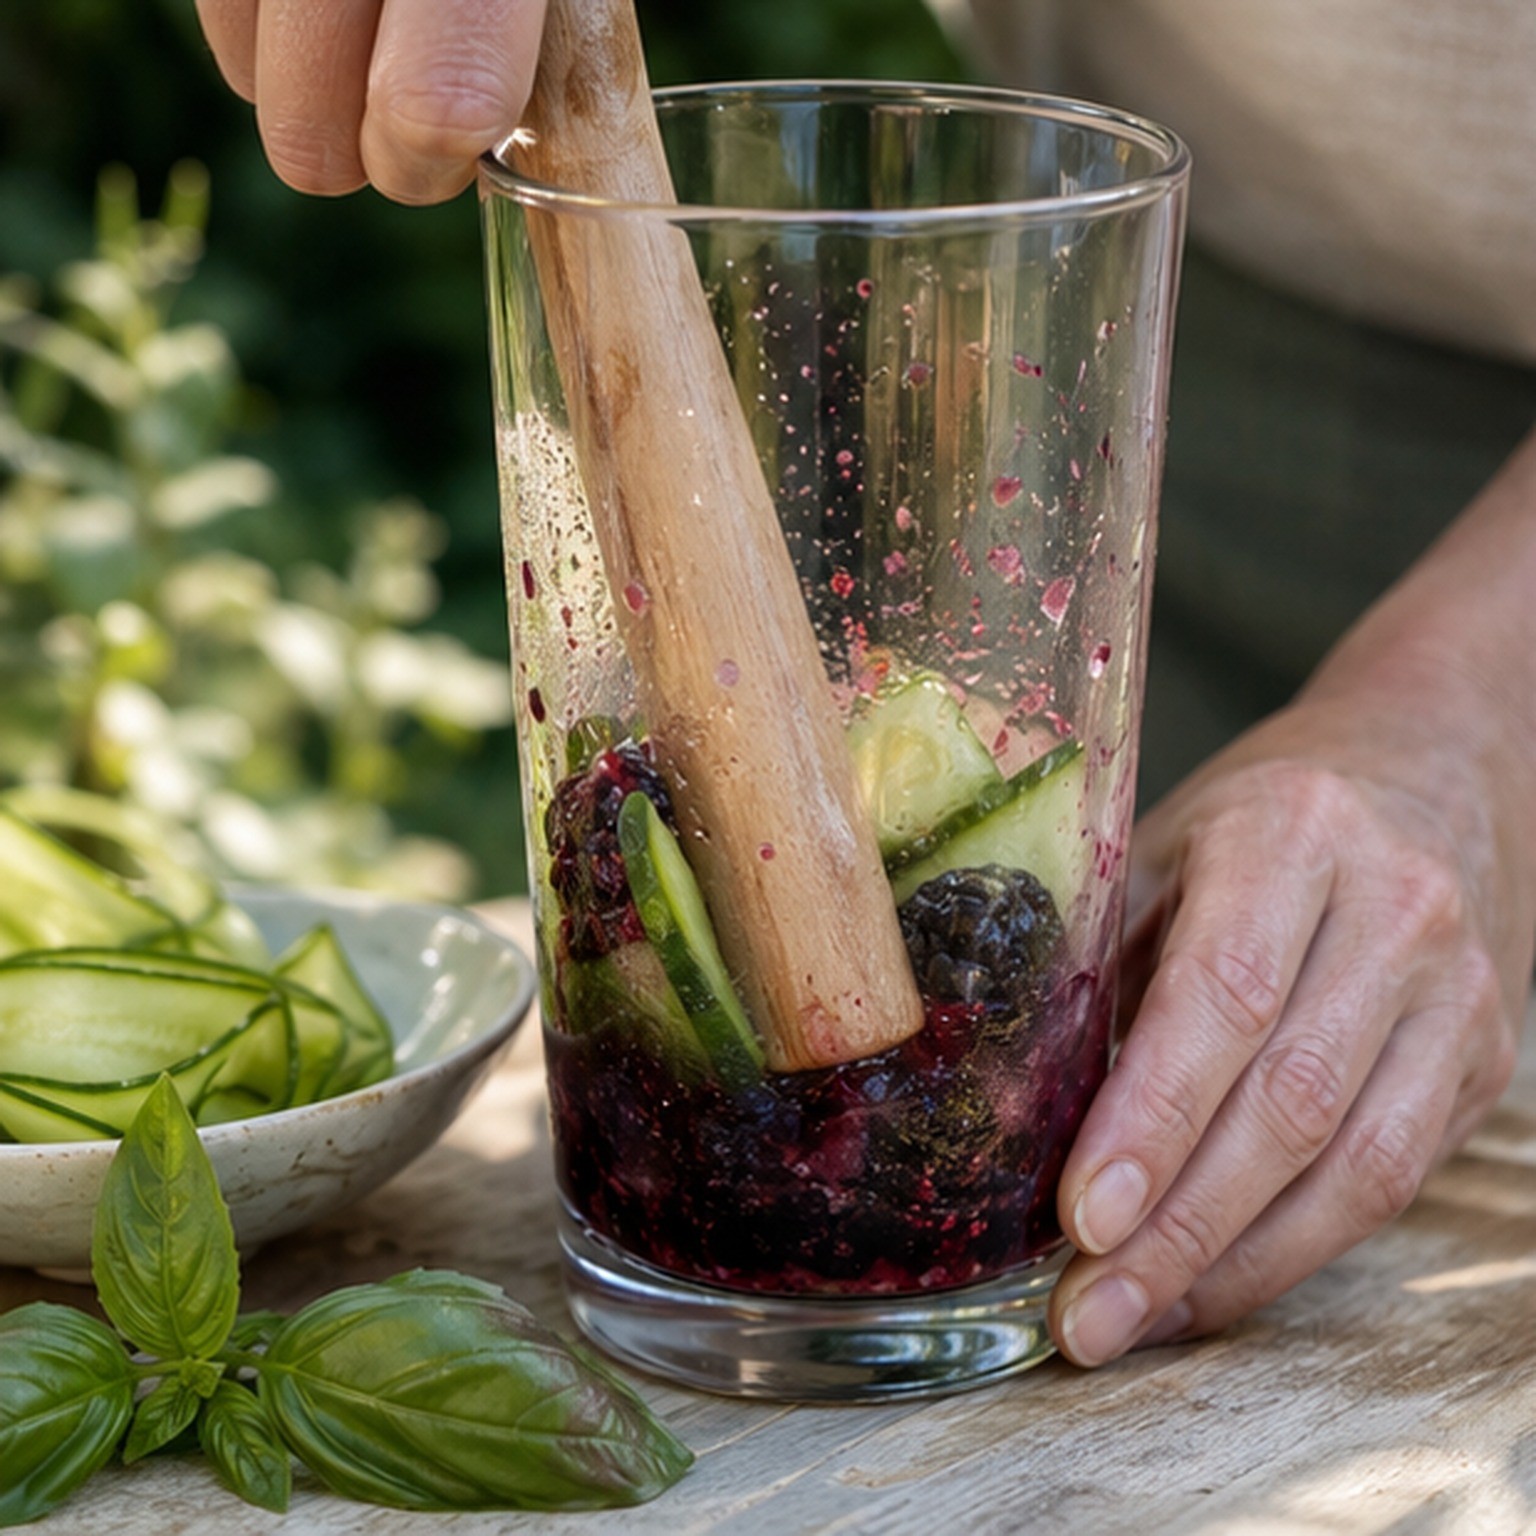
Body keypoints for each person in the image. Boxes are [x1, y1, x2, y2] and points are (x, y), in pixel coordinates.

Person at [192, 0, 1536, 1370]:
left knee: (1287, 996)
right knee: (1183, 968)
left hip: (1307, 426)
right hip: (1151, 307)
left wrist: (1465, 736)